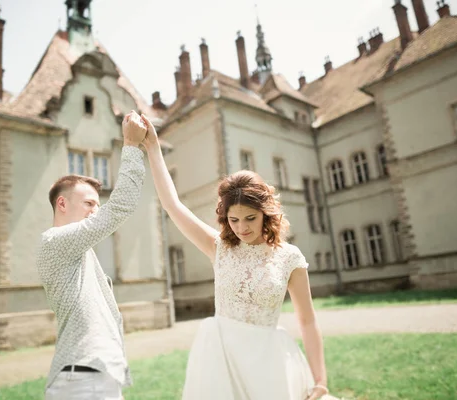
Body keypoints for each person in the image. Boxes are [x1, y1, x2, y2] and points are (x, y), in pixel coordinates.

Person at [140, 113, 333, 400]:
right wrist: (152, 147)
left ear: (266, 214)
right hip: (221, 359)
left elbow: (307, 321)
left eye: (250, 218)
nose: (241, 228)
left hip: (269, 362)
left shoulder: (289, 258)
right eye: (233, 220)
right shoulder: (219, 247)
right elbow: (172, 204)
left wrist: (320, 379)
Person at [37, 110, 147, 400]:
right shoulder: (55, 241)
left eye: (98, 205)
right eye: (88, 203)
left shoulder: (78, 250)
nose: (96, 210)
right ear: (62, 203)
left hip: (92, 378)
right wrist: (131, 146)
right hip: (82, 383)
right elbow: (120, 206)